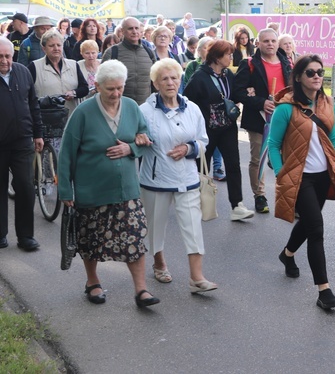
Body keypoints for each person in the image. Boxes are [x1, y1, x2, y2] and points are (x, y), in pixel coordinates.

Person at [57, 60, 159, 308]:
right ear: (97, 86)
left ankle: (141, 289)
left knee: (134, 239)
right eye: (110, 89)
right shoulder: (83, 112)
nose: (116, 93)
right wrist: (65, 190)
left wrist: (131, 147)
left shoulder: (133, 108)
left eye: (120, 88)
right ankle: (92, 282)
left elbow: (147, 140)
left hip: (126, 189)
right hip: (91, 189)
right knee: (91, 239)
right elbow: (67, 152)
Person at [268, 55, 335, 309]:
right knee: (316, 228)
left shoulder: (326, 104)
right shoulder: (285, 108)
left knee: (308, 225)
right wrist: (281, 172)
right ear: (299, 76)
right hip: (299, 177)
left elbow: (334, 138)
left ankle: (287, 254)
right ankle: (324, 291)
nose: (317, 76)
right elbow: (273, 144)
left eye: (320, 72)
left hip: (323, 175)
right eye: (311, 72)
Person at [139, 59, 217, 294]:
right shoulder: (144, 111)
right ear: (155, 83)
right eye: (164, 78)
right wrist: (139, 140)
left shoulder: (192, 108)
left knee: (193, 226)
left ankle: (196, 277)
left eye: (174, 77)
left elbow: (204, 140)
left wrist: (189, 148)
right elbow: (135, 140)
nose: (170, 82)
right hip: (156, 179)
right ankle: (159, 262)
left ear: (180, 79)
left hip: (187, 178)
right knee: (155, 225)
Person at [183, 40, 255, 221]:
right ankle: (198, 203)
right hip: (207, 130)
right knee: (202, 166)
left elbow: (235, 94)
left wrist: (249, 95)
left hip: (228, 128)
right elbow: (187, 103)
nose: (231, 57)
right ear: (216, 57)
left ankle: (237, 205)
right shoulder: (200, 77)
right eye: (228, 54)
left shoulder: (227, 74)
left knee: (233, 164)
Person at [233, 27, 292, 214]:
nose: (270, 44)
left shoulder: (286, 62)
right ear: (258, 43)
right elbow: (238, 91)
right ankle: (259, 195)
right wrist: (260, 103)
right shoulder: (249, 63)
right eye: (266, 41)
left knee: (288, 159)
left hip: (284, 118)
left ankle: (291, 198)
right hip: (259, 119)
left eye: (273, 41)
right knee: (258, 158)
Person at [0, 37, 43, 251]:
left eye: (8, 56)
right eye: (0, 56)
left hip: (23, 141)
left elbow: (33, 104)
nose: (5, 61)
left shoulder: (22, 72)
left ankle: (26, 236)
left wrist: (38, 133)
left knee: (26, 187)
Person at [184, 37, 226, 181]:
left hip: (219, 116)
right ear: (199, 50)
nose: (209, 51)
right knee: (204, 149)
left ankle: (217, 167)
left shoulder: (224, 71)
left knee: (218, 145)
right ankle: (201, 181)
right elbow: (188, 90)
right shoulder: (194, 66)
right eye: (206, 47)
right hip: (202, 114)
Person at [28, 30, 89, 120]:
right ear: (44, 48)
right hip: (45, 120)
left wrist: (74, 93)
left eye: (59, 45)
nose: (56, 48)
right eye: (51, 46)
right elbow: (27, 95)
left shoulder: (73, 64)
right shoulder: (34, 67)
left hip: (71, 118)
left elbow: (85, 88)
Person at [102, 17, 155, 105]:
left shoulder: (149, 52)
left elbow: (155, 82)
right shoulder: (112, 52)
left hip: (145, 107)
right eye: (130, 28)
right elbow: (103, 82)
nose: (134, 31)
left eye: (137, 28)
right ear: (122, 31)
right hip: (119, 107)